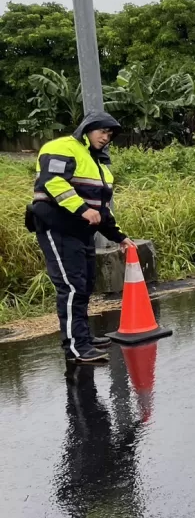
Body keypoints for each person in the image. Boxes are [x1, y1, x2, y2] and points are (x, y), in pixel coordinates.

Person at [26, 112, 135, 365]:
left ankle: (82, 338)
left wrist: (120, 237)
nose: (105, 137)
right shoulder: (62, 147)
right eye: (102, 131)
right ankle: (76, 348)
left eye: (110, 134)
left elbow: (102, 210)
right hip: (58, 227)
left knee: (84, 287)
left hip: (81, 232)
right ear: (87, 128)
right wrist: (82, 209)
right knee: (72, 287)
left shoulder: (98, 163)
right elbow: (53, 182)